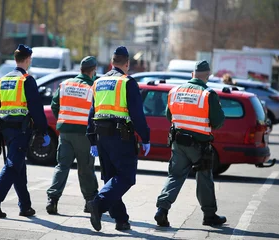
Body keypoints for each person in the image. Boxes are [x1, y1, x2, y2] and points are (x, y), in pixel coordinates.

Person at [154, 60, 226, 227]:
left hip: (178, 142)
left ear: (192, 74)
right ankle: (209, 216)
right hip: (199, 145)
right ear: (207, 75)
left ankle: (162, 210)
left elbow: (169, 116)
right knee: (204, 179)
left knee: (175, 176)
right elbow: (218, 122)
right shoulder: (208, 94)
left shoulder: (175, 91)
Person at [86, 46, 150, 231]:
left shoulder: (98, 82)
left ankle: (121, 220)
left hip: (101, 136)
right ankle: (98, 204)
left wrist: (92, 138)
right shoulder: (127, 82)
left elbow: (93, 111)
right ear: (127, 63)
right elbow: (137, 114)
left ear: (112, 62)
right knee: (126, 177)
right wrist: (145, 137)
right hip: (121, 137)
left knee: (112, 178)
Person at [0, 44, 50, 218]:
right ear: (27, 60)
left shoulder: (3, 79)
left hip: (5, 130)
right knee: (12, 167)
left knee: (19, 167)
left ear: (15, 59)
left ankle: (25, 207)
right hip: (21, 130)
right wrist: (43, 129)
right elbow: (36, 107)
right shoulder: (26, 80)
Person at [45, 56, 99, 214]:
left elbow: (55, 106)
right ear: (93, 70)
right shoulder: (93, 87)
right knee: (86, 168)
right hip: (84, 134)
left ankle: (52, 200)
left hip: (65, 133)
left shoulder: (65, 84)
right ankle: (90, 202)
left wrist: (64, 120)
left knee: (62, 166)